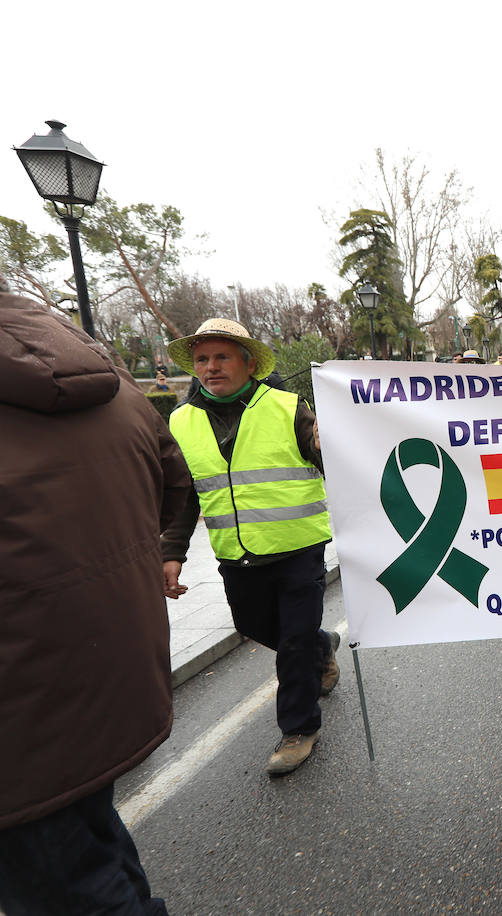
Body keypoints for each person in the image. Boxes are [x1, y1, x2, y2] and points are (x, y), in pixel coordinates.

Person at [0, 290, 192, 915]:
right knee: (90, 849)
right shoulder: (119, 389)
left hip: (24, 717)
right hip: (106, 678)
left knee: (69, 883)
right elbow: (172, 483)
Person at [160, 318, 339, 776]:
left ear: (249, 362)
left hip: (298, 548)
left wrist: (330, 442)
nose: (211, 367)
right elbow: (184, 494)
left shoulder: (287, 406)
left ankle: (298, 729)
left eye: (222, 357)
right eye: (202, 359)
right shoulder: (180, 420)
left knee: (294, 641)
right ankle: (323, 646)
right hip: (234, 554)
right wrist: (172, 552)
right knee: (256, 626)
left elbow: (331, 461)